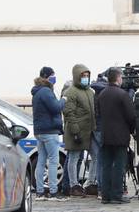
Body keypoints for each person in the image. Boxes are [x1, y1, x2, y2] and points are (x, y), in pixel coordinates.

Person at [97, 67, 136, 205]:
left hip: (105, 134)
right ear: (118, 78)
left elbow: (99, 113)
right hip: (120, 135)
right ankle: (116, 195)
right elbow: (131, 116)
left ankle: (105, 195)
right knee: (119, 166)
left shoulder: (102, 94)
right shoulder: (122, 94)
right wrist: (132, 130)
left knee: (106, 166)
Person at [31, 66, 68, 201]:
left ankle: (40, 192)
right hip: (49, 131)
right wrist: (63, 100)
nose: (54, 78)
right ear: (47, 77)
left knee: (41, 161)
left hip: (40, 131)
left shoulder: (37, 91)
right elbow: (56, 108)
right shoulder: (46, 91)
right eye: (53, 75)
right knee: (53, 161)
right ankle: (53, 192)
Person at [63, 64, 96, 197]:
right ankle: (73, 185)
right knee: (74, 158)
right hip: (76, 131)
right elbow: (69, 113)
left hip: (90, 131)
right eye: (83, 76)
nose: (86, 78)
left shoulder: (90, 91)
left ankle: (90, 183)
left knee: (96, 156)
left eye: (87, 76)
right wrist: (76, 131)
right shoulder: (70, 92)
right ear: (77, 76)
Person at [84, 71, 109, 196]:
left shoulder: (93, 94)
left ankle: (99, 188)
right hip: (102, 128)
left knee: (98, 158)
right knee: (103, 159)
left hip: (93, 128)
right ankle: (102, 187)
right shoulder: (105, 95)